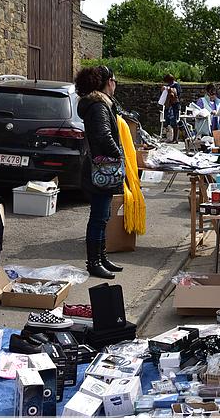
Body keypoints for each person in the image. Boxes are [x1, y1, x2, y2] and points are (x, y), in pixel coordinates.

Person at [75, 65, 125, 279]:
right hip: (101, 168)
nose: (115, 84)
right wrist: (119, 154)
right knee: (98, 217)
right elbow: (103, 136)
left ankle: (101, 257)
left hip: (99, 167)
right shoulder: (98, 106)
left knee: (103, 216)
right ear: (107, 82)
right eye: (114, 80)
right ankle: (94, 262)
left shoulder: (101, 105)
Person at [161, 74, 182, 143]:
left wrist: (168, 89)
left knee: (174, 122)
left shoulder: (176, 85)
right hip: (169, 106)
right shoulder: (169, 85)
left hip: (174, 106)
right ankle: (170, 138)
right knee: (168, 122)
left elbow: (177, 94)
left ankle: (175, 139)